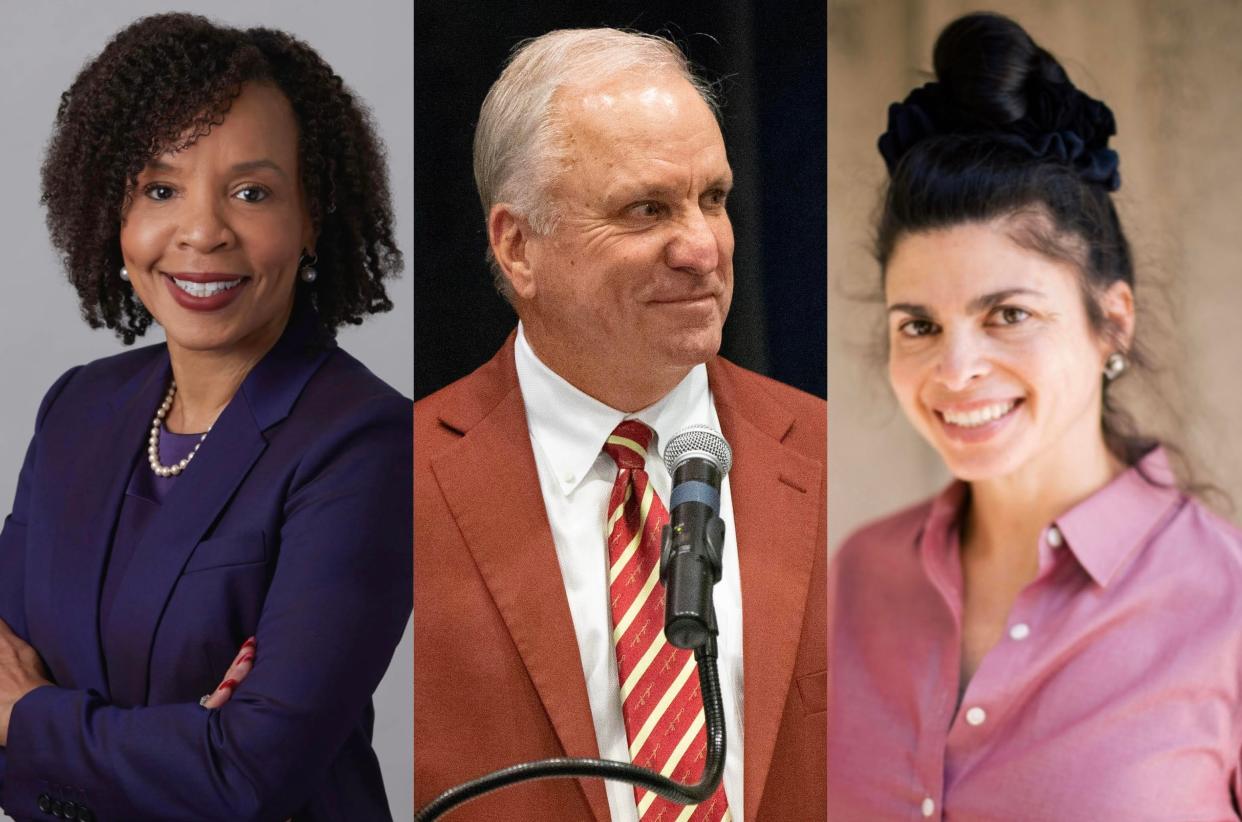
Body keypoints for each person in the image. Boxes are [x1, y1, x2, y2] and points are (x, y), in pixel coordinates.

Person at [828, 12, 1242, 821]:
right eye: (919, 325)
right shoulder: (857, 577)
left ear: (1110, 322)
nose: (955, 371)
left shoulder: (1228, 605)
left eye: (1008, 314)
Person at [0, 14, 411, 821]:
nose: (201, 231)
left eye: (251, 193)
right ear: (114, 216)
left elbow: (251, 778)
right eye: (160, 189)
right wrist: (178, 742)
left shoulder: (362, 444)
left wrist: (28, 715)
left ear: (310, 219)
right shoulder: (78, 408)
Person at [414, 28, 826, 822]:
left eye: (713, 198)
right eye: (647, 210)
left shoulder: (841, 467)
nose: (703, 247)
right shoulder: (372, 496)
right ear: (517, 247)